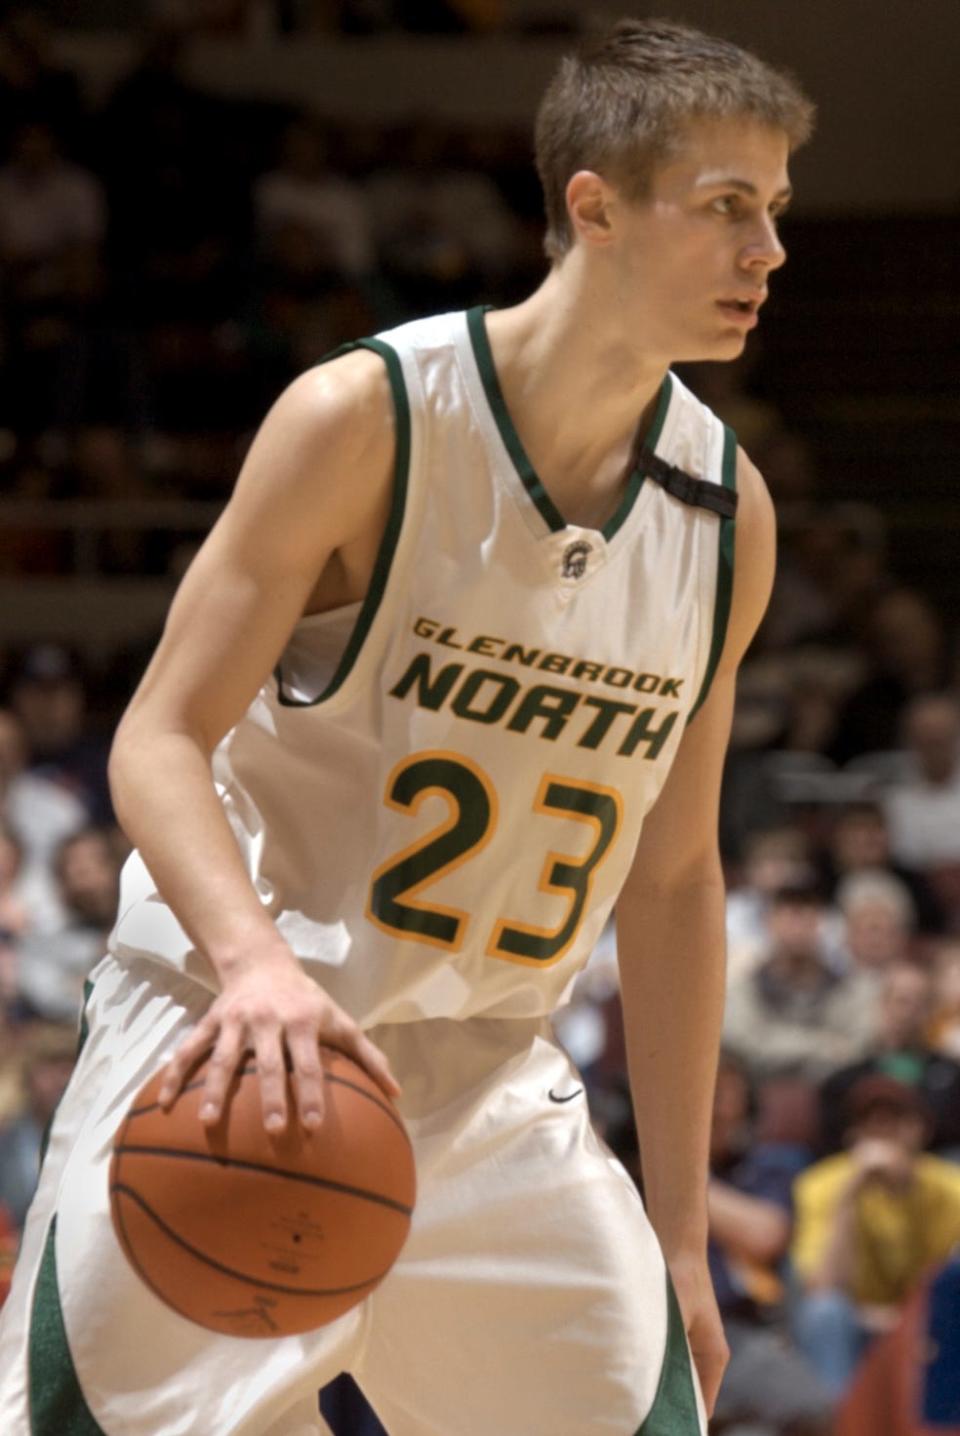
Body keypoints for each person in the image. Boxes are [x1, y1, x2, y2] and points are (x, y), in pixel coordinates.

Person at [0, 18, 813, 1436]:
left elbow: (676, 879)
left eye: (779, 211)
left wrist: (681, 1230)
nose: (770, 253)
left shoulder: (725, 512)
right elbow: (157, 739)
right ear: (596, 206)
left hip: (491, 1070)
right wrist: (253, 966)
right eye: (729, 206)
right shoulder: (367, 420)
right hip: (232, 1035)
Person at [791, 1074, 960, 1400]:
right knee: (824, 1313)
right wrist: (850, 1195)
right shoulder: (820, 1184)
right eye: (871, 1124)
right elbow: (822, 1287)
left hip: (930, 1326)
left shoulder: (951, 1187)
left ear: (920, 1130)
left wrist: (907, 1190)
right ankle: (837, 1425)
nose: (884, 1135)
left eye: (896, 1122)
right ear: (852, 1135)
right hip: (857, 1323)